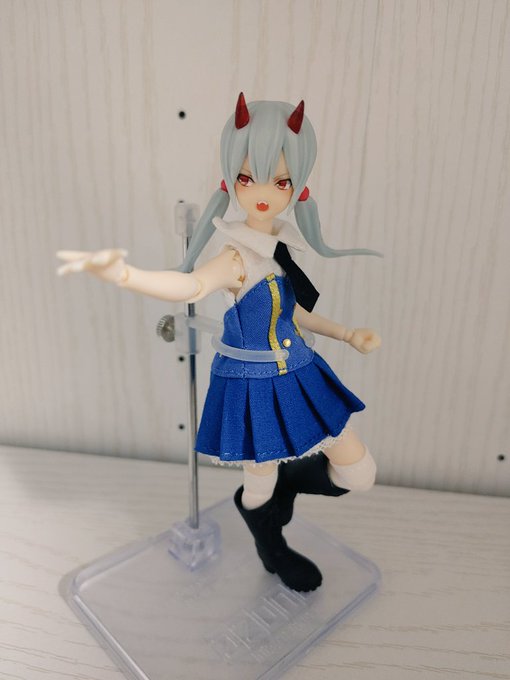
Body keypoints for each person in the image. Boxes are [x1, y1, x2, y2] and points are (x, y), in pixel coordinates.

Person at [57, 93, 381, 592]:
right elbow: (190, 286)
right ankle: (270, 541)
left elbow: (293, 310)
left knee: (359, 474)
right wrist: (125, 274)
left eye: (281, 181)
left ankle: (291, 479)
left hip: (302, 375)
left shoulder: (279, 247)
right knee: (259, 485)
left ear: (298, 184)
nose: (263, 194)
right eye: (249, 179)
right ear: (231, 180)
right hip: (254, 386)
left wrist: (345, 333)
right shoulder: (236, 258)